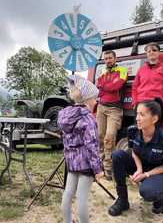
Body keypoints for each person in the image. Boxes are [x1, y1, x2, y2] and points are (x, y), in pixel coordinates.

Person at [108, 98, 163, 216]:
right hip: (142, 166)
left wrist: (146, 175)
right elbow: (134, 152)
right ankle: (122, 200)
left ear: (154, 119)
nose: (137, 118)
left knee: (147, 192)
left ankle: (160, 198)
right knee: (117, 155)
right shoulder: (132, 131)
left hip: (159, 172)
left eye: (142, 114)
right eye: (137, 113)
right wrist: (139, 169)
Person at [58, 75, 104, 223]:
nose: (96, 101)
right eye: (94, 98)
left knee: (68, 193)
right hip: (85, 164)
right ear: (87, 99)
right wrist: (98, 169)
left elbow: (65, 140)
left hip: (71, 163)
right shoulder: (88, 118)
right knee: (82, 198)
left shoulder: (65, 116)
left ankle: (67, 221)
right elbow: (92, 145)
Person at [96, 50, 128, 180]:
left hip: (115, 109)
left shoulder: (122, 70)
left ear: (115, 58)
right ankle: (99, 166)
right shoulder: (102, 71)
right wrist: (105, 86)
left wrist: (104, 86)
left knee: (109, 138)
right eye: (106, 58)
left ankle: (109, 168)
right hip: (101, 107)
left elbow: (116, 86)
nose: (108, 60)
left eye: (110, 58)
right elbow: (98, 86)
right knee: (99, 136)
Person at [132, 42, 163, 110]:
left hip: (155, 105)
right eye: (148, 51)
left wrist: (162, 105)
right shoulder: (141, 69)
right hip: (140, 104)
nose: (151, 52)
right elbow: (134, 87)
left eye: (154, 50)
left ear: (159, 52)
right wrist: (135, 102)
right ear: (146, 54)